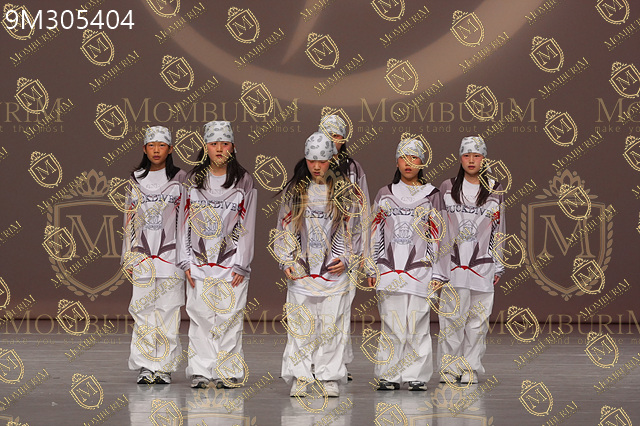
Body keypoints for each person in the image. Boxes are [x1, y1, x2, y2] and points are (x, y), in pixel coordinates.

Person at [276, 132, 361, 398]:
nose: (316, 166)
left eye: (322, 161)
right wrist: (286, 259)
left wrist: (347, 259)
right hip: (302, 273)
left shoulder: (345, 193)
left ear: (331, 160)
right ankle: (301, 376)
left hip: (334, 274)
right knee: (301, 327)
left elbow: (355, 230)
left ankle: (328, 377)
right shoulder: (295, 191)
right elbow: (284, 228)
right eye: (311, 160)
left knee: (332, 328)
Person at [177, 121, 257, 389]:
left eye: (225, 143)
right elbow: (183, 223)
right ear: (205, 147)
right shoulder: (193, 180)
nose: (219, 149)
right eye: (214, 144)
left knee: (229, 318)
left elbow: (247, 225)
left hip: (231, 264)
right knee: (200, 317)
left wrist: (242, 264)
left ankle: (228, 370)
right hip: (198, 263)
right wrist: (185, 261)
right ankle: (201, 370)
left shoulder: (244, 181)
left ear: (233, 146)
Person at [367, 137, 448, 391]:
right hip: (388, 271)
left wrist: (439, 274)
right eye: (404, 157)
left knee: (418, 324)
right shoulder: (385, 194)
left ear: (422, 162)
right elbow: (374, 233)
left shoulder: (432, 196)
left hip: (421, 272)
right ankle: (388, 374)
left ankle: (416, 375)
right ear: (397, 161)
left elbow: (440, 236)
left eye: (414, 157)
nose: (408, 163)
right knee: (391, 323)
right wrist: (370, 266)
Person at [437, 136, 505, 384]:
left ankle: (470, 368)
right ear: (460, 158)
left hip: (482, 266)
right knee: (451, 318)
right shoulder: (447, 187)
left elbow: (499, 228)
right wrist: (438, 266)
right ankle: (449, 368)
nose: (472, 160)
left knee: (477, 321)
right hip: (452, 265)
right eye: (467, 155)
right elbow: (439, 228)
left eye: (477, 155)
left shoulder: (495, 189)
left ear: (484, 158)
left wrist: (498, 264)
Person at [122, 125, 186, 385]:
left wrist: (187, 258)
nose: (156, 150)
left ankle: (164, 367)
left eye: (161, 145)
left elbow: (187, 220)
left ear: (170, 149)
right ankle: (146, 366)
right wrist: (127, 255)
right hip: (142, 256)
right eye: (151, 145)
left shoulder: (181, 179)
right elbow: (129, 219)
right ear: (144, 149)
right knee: (143, 311)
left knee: (168, 311)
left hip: (172, 257)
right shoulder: (136, 179)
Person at [319, 113, 370, 382]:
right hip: (315, 250)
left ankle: (338, 363)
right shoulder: (311, 166)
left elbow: (363, 210)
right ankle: (316, 361)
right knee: (317, 311)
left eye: (337, 136)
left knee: (341, 309)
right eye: (327, 135)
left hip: (345, 248)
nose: (331, 141)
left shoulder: (354, 170)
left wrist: (357, 253)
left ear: (344, 139)